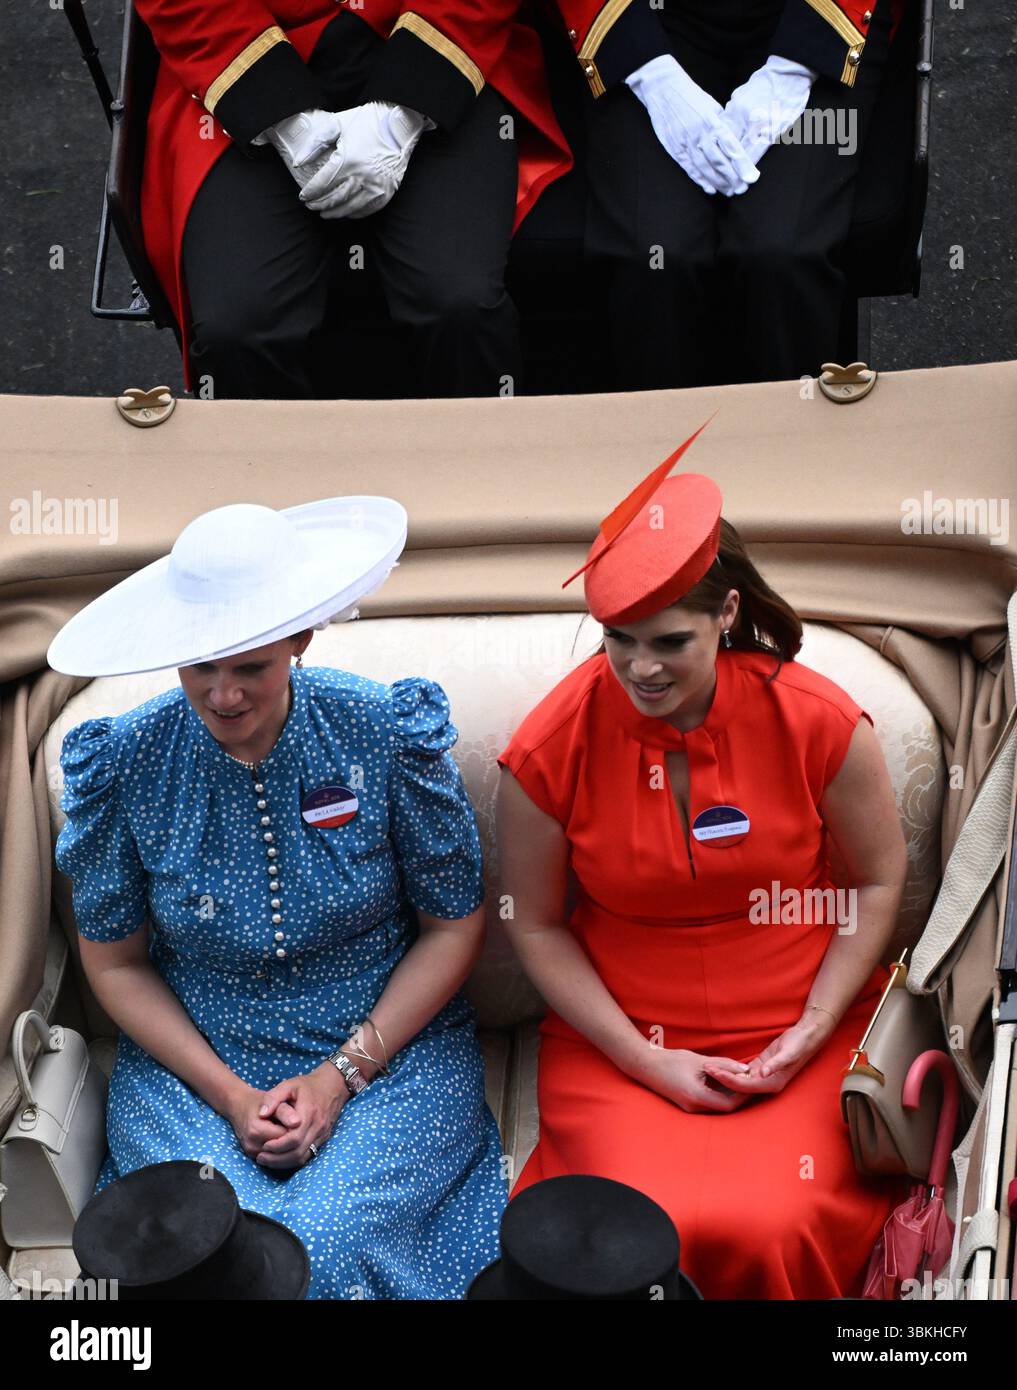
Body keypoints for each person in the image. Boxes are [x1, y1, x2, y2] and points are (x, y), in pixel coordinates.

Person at [48, 497, 506, 1300]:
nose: (223, 695)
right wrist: (229, 1095)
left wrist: (340, 1077)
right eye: (201, 667)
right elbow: (113, 964)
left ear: (298, 638)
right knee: (205, 1252)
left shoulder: (382, 730)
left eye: (249, 667)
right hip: (197, 1063)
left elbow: (451, 924)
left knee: (322, 1247)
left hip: (386, 1052)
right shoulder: (124, 762)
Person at [495, 436, 911, 1298]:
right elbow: (531, 923)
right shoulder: (547, 746)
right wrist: (646, 1061)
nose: (639, 669)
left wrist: (811, 1029)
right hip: (621, 1043)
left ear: (726, 613)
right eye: (617, 641)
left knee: (774, 1220)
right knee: (641, 1233)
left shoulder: (819, 720)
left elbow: (876, 883)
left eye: (668, 642)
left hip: (806, 1021)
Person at [134, 0, 572, 399]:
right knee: (238, 330)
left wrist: (405, 109)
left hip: (437, 26)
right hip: (243, 42)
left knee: (460, 304)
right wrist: (281, 117)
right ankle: (267, 481)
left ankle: (476, 475)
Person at [547, 0, 907, 387]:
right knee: (655, 256)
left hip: (810, 12)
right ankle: (665, 440)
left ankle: (792, 438)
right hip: (642, 17)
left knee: (779, 253)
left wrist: (795, 65)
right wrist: (651, 75)